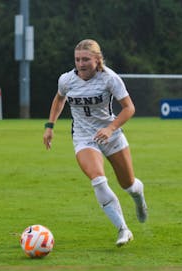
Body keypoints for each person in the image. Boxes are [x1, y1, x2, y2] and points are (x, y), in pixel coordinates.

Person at [43, 39, 148, 247]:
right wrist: (50, 126)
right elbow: (59, 99)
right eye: (77, 59)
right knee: (98, 180)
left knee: (128, 185)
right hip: (83, 137)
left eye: (86, 60)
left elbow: (129, 108)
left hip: (112, 135)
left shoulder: (110, 78)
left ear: (97, 59)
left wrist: (110, 128)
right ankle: (123, 229)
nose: (81, 64)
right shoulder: (66, 80)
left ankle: (139, 197)